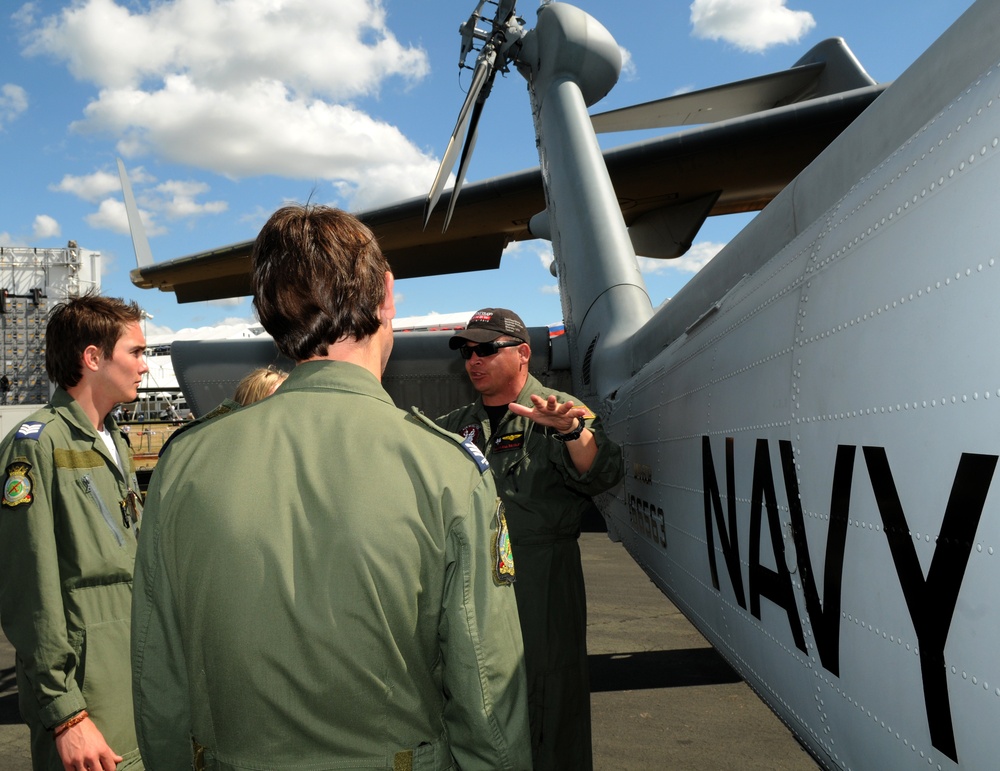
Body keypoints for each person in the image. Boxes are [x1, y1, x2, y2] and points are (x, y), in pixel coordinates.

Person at [132, 205, 531, 770]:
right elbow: (486, 694)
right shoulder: (446, 470)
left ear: (269, 312)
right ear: (387, 295)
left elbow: (160, 677)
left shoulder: (185, 463)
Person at [437, 307, 625, 771]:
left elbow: (605, 470)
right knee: (475, 698)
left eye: (485, 349)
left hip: (541, 586)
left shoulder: (558, 411)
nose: (473, 361)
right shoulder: (459, 424)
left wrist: (573, 432)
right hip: (473, 584)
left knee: (550, 703)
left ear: (523, 354)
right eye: (466, 351)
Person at [0, 293, 148, 771]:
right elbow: (28, 590)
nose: (144, 366)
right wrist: (66, 714)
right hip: (89, 696)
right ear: (92, 358)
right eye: (136, 352)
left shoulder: (115, 441)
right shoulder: (35, 448)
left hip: (135, 678)